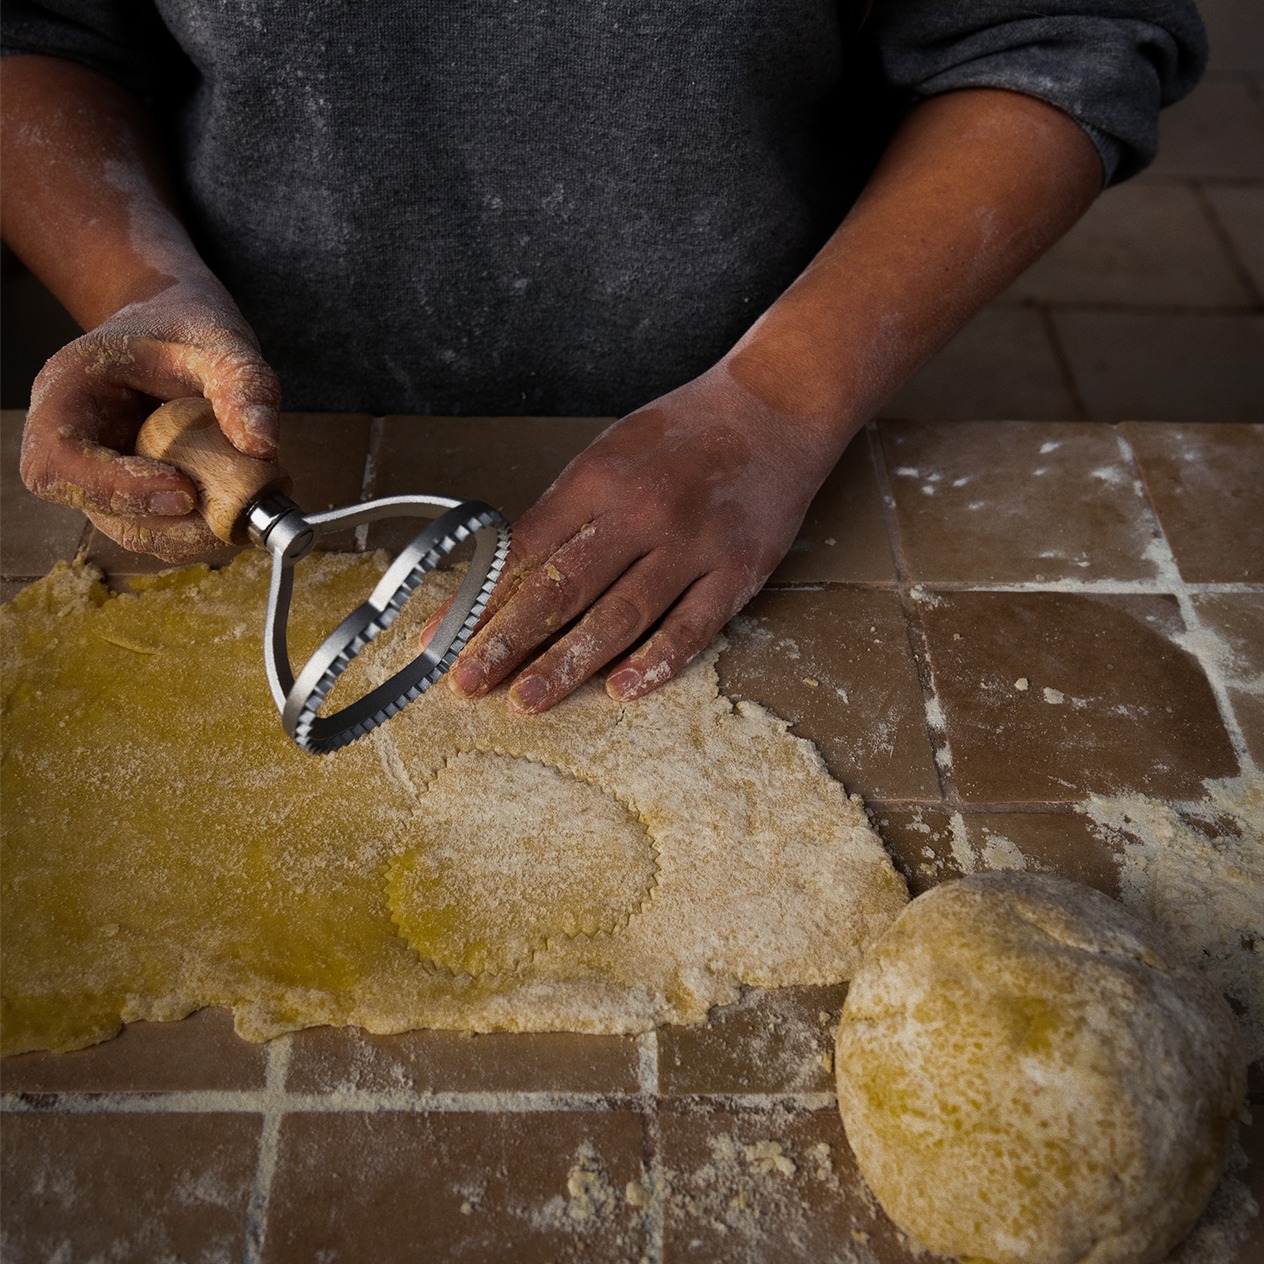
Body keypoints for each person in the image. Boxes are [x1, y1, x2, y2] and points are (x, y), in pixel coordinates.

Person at [0, 1, 1205, 715]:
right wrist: (133, 285)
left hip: (753, 424)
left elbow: (1054, 32)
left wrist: (779, 398)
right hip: (280, 420)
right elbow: (42, 31)